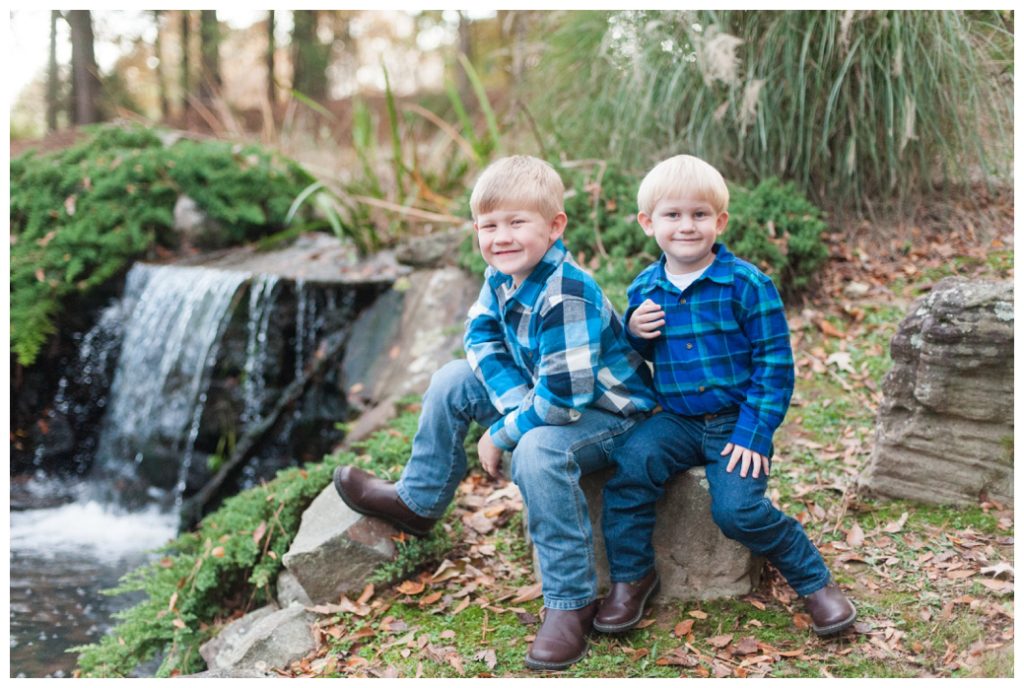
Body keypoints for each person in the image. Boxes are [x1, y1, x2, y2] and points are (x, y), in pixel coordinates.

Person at [333, 155, 657, 670]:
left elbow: (564, 400)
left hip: (612, 416)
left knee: (537, 449)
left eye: (516, 223)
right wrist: (510, 413)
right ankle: (419, 501)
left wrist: (505, 432)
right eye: (488, 226)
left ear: (554, 228)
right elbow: (479, 337)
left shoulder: (566, 292)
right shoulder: (501, 274)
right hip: (547, 396)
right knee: (450, 379)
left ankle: (572, 601)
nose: (500, 237)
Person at [595, 154, 856, 638]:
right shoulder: (646, 288)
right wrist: (633, 331)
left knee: (737, 510)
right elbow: (634, 354)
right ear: (648, 223)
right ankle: (632, 578)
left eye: (699, 215)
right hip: (675, 420)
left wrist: (755, 434)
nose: (687, 226)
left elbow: (775, 366)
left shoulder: (747, 285)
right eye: (673, 215)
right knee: (630, 469)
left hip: (735, 420)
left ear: (720, 221)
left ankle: (814, 582)